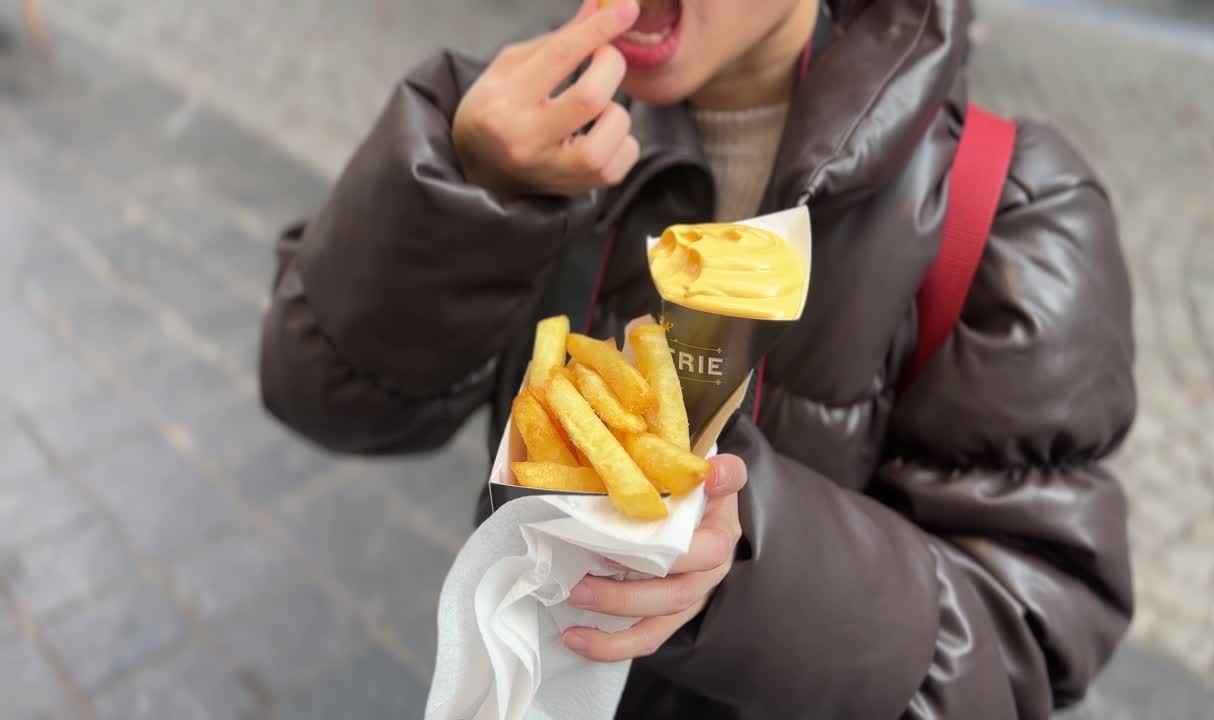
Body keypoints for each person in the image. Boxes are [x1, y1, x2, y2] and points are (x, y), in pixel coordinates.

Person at [258, 0, 1136, 717]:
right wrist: (468, 191)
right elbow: (324, 398)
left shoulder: (1016, 207)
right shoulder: (518, 127)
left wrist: (750, 559)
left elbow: (1031, 630)